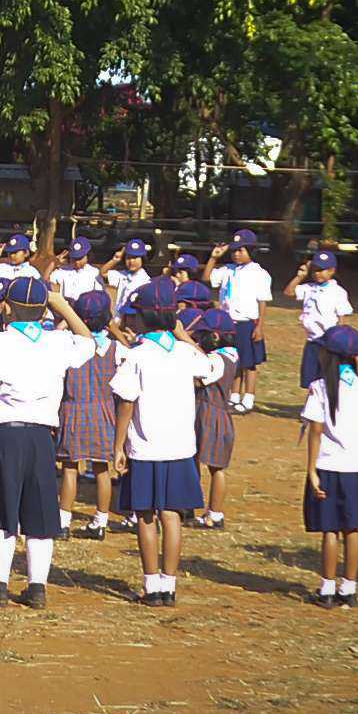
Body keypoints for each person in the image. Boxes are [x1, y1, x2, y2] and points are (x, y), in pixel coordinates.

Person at [0, 276, 97, 608]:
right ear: (43, 309)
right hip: (41, 436)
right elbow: (88, 342)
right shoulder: (58, 342)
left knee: (1, 508)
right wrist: (62, 305)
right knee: (40, 511)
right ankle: (37, 587)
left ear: (7, 307)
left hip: (5, 433)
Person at [105, 278, 221, 608]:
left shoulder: (137, 356)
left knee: (145, 516)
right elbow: (210, 368)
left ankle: (151, 585)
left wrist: (118, 446)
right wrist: (184, 337)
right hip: (180, 448)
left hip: (145, 447)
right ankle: (169, 586)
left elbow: (126, 403)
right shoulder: (185, 353)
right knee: (172, 515)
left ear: (145, 318)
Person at [300, 323, 358, 609]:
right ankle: (350, 588)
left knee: (330, 530)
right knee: (352, 529)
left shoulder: (319, 388)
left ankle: (327, 588)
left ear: (327, 355)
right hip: (357, 468)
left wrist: (311, 471)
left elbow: (315, 431)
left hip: (328, 466)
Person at [57, 290, 119, 538]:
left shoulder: (70, 344)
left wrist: (65, 319)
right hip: (103, 412)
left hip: (73, 409)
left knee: (70, 467)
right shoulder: (114, 348)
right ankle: (100, 521)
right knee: (102, 468)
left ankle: (63, 521)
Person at [211, 231, 274, 411]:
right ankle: (234, 395)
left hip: (247, 323)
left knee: (249, 363)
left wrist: (259, 327)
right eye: (234, 251)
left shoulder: (259, 273)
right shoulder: (227, 270)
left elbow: (262, 301)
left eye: (241, 250)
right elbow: (208, 278)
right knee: (234, 361)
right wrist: (214, 258)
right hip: (228, 323)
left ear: (251, 251)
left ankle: (249, 397)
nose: (236, 254)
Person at [189, 306, 239, 530]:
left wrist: (185, 341)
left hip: (211, 416)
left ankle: (215, 513)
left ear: (215, 336)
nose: (199, 340)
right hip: (210, 414)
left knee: (215, 467)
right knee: (197, 461)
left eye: (203, 335)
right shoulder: (229, 356)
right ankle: (191, 505)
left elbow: (199, 379)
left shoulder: (218, 360)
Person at [284, 249, 353, 388]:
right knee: (311, 381)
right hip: (312, 341)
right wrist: (300, 276)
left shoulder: (338, 292)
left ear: (332, 271)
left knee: (328, 380)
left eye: (322, 270)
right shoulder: (309, 288)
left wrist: (339, 342)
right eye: (315, 270)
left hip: (329, 342)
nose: (317, 273)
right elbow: (288, 292)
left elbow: (342, 319)